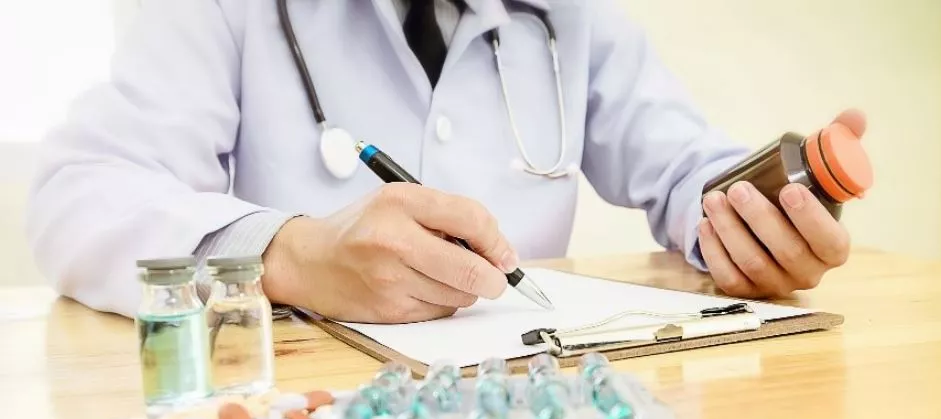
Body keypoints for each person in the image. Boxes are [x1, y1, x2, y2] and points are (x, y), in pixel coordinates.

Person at [24, 0, 865, 324]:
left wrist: (747, 226)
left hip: (535, 397)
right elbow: (80, 194)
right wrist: (285, 252)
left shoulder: (568, 17)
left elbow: (685, 167)